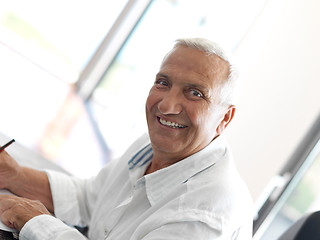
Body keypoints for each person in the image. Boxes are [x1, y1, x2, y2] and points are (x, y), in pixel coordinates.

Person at [0, 38, 252, 239]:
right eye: (163, 83)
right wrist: (15, 175)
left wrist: (37, 222)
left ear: (224, 119)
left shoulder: (206, 214)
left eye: (195, 93)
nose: (166, 105)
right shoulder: (151, 145)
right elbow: (89, 199)